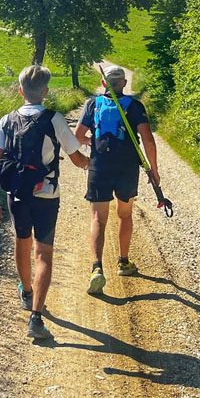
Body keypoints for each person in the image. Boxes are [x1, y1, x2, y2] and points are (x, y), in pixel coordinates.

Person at [0, 65, 89, 340]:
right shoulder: (54, 120)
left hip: (16, 193)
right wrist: (93, 163)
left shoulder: (6, 121)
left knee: (22, 241)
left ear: (20, 91)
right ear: (45, 91)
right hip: (47, 195)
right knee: (43, 253)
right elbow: (77, 158)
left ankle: (26, 291)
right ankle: (36, 317)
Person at [74, 65, 160, 294]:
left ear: (104, 84)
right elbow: (148, 140)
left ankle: (96, 269)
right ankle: (123, 262)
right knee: (125, 214)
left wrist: (94, 146)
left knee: (98, 219)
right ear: (123, 83)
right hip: (127, 168)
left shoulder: (93, 104)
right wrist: (154, 169)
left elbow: (79, 136)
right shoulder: (135, 106)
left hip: (99, 167)